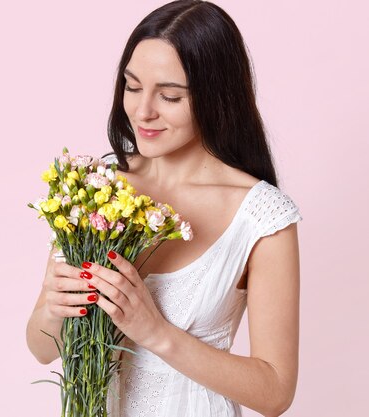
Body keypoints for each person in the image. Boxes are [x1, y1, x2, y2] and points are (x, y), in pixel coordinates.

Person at [26, 1, 302, 416]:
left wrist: (155, 332)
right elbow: (42, 350)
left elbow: (276, 391)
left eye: (170, 96)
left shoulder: (262, 216)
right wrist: (52, 306)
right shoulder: (97, 190)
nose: (143, 111)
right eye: (133, 87)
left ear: (216, 97)